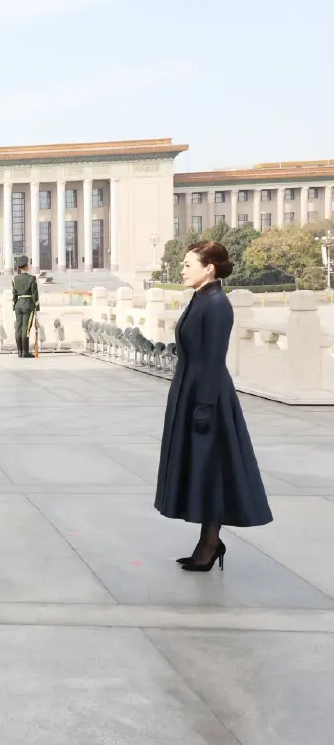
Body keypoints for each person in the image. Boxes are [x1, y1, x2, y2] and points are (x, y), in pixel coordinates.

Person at [155, 240, 272, 572]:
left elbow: (213, 358)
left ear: (209, 268)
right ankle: (207, 542)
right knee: (202, 467)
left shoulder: (218, 304)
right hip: (190, 390)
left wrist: (205, 405)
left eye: (188, 264)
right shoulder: (201, 297)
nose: (182, 269)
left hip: (207, 396)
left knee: (213, 469)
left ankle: (209, 544)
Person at [11, 255, 39, 358]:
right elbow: (35, 294)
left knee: (18, 328)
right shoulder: (32, 278)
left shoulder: (15, 279)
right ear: (27, 266)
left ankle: (19, 352)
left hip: (18, 305)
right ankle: (25, 352)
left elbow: (14, 295)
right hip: (28, 305)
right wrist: (37, 307)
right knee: (25, 329)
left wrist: (14, 306)